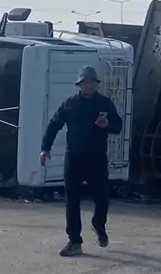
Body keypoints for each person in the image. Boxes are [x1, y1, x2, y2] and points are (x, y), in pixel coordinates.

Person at [40, 66, 123, 257]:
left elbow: (118, 125)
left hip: (96, 157)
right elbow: (54, 124)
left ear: (96, 84)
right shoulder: (70, 104)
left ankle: (98, 225)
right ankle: (74, 241)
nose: (89, 86)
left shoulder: (104, 103)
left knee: (102, 197)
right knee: (72, 200)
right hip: (74, 157)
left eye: (92, 83)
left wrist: (108, 124)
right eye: (85, 83)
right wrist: (45, 148)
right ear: (79, 84)